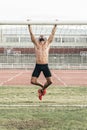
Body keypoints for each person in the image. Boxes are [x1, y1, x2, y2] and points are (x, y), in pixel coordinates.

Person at [28, 24, 57, 100]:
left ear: (45, 38)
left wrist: (55, 26)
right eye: (40, 36)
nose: (41, 37)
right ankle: (42, 87)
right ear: (38, 39)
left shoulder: (47, 44)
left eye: (43, 36)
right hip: (38, 65)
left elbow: (52, 34)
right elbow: (31, 34)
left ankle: (42, 90)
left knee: (50, 82)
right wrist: (29, 26)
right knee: (33, 81)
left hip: (45, 65)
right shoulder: (36, 44)